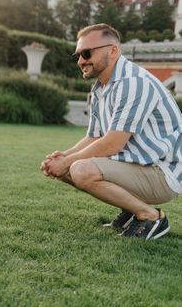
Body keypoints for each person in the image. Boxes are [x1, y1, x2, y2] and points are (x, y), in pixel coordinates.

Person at [41, 23, 181, 240]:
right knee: (69, 167)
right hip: (138, 167)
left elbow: (112, 144)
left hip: (162, 173)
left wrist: (69, 162)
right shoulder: (100, 87)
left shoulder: (133, 83)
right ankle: (132, 210)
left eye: (86, 53)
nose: (80, 61)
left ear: (113, 51)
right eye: (77, 55)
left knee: (80, 170)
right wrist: (62, 157)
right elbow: (94, 136)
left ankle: (151, 217)